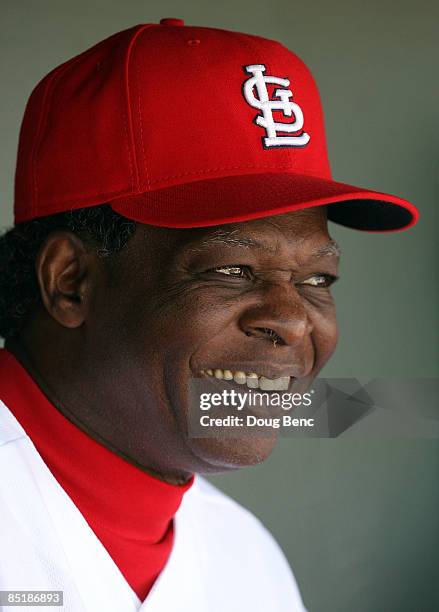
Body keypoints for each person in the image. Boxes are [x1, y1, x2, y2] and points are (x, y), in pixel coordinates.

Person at [0, 18, 418, 612]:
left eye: (317, 279)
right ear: (70, 281)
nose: (294, 322)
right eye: (232, 270)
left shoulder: (247, 560)